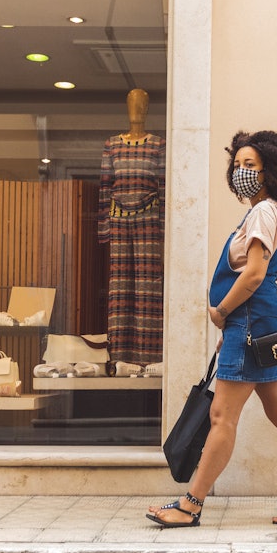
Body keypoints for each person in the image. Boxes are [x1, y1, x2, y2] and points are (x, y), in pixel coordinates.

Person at [148, 130, 277, 528]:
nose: (240, 171)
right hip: (263, 325)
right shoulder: (270, 212)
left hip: (248, 324)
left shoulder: (263, 213)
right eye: (238, 164)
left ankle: (190, 505)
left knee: (221, 417)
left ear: (270, 171)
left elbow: (254, 274)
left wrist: (221, 311)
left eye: (250, 165)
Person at [98, 88, 166, 366]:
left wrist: (163, 231)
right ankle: (119, 359)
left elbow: (163, 187)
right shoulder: (112, 145)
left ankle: (148, 360)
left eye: (141, 104)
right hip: (118, 218)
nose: (136, 109)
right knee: (120, 288)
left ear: (147, 108)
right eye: (131, 103)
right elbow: (105, 187)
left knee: (147, 289)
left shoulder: (158, 145)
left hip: (149, 218)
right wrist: (104, 229)